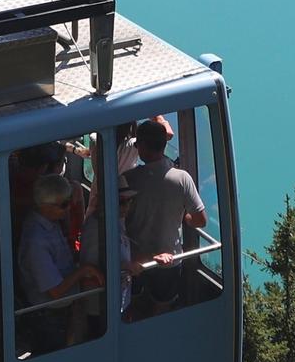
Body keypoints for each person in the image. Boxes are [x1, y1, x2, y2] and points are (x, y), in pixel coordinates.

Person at [125, 119, 206, 313]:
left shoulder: (130, 178)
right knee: (161, 305)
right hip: (170, 259)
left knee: (131, 302)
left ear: (143, 146)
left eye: (137, 145)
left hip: (135, 257)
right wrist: (184, 217)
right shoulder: (182, 178)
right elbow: (200, 220)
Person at [17, 173, 103, 352]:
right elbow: (55, 291)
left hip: (60, 310)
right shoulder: (37, 240)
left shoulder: (49, 222)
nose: (68, 208)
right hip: (48, 315)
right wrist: (84, 270)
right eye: (64, 205)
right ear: (45, 205)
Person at [80, 175, 141, 322]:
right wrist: (125, 267)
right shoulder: (95, 229)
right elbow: (90, 271)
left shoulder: (116, 219)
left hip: (119, 297)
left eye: (129, 200)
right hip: (101, 304)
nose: (126, 206)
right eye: (121, 202)